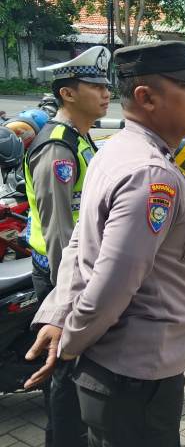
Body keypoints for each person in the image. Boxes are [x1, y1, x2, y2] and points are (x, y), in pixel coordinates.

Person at [24, 40, 185, 447]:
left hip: (121, 370)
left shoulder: (114, 151)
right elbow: (112, 284)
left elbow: (79, 244)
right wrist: (70, 345)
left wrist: (61, 318)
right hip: (136, 376)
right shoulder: (150, 173)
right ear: (146, 98)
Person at [23, 46, 111, 447]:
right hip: (61, 277)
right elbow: (58, 230)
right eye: (95, 85)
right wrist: (69, 297)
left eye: (107, 85)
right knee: (63, 370)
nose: (106, 92)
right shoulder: (58, 147)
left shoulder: (80, 138)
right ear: (68, 94)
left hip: (77, 273)